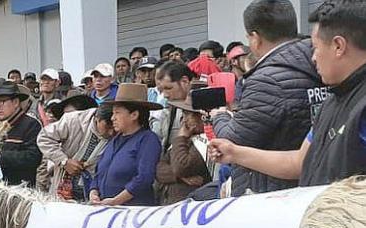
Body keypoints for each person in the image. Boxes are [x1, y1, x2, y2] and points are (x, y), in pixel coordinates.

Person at [209, 0, 366, 186]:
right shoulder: (333, 99)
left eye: (315, 48)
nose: (313, 58)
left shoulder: (360, 107)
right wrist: (235, 152)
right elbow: (299, 162)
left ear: (338, 46)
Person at [211, 0, 324, 196]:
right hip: (316, 187)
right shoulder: (322, 64)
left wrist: (219, 116)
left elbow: (232, 140)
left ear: (255, 38)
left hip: (272, 193)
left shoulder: (266, 80)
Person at [88, 83, 163, 206]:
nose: (112, 118)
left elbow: (144, 178)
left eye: (117, 113)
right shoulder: (114, 140)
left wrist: (116, 201)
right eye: (113, 113)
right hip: (105, 209)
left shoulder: (147, 140)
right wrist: (94, 192)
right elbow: (99, 173)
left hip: (133, 212)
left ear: (134, 115)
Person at [37, 97, 112, 201]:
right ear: (97, 118)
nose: (111, 132)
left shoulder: (119, 132)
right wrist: (64, 161)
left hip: (94, 192)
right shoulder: (73, 120)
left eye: (114, 128)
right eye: (107, 127)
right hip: (63, 187)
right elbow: (44, 137)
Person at [155, 91, 213, 204]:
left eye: (188, 115)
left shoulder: (208, 141)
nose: (184, 120)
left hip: (192, 207)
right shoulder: (186, 139)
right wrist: (180, 177)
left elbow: (182, 166)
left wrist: (180, 138)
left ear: (202, 117)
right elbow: (159, 169)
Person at [0, 80, 42, 186]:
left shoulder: (31, 124)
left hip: (21, 191)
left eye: (2, 101)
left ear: (16, 102)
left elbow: (33, 157)